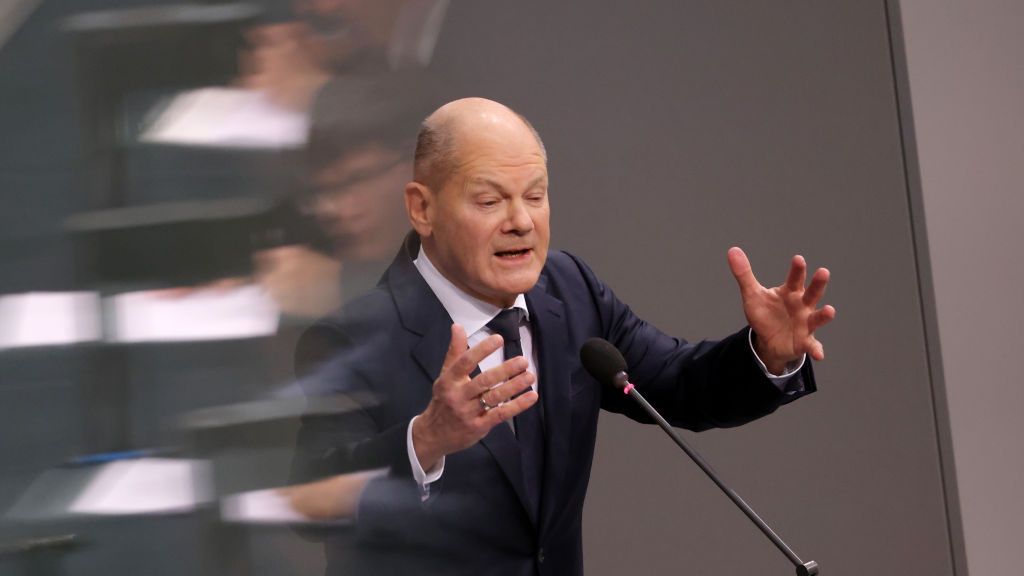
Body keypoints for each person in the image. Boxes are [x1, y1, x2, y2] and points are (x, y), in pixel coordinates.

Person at [288, 97, 835, 575]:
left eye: (535, 195)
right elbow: (312, 501)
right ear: (422, 208)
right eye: (489, 200)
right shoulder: (352, 338)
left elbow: (679, 384)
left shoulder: (571, 292)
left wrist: (765, 353)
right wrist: (424, 440)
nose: (521, 221)